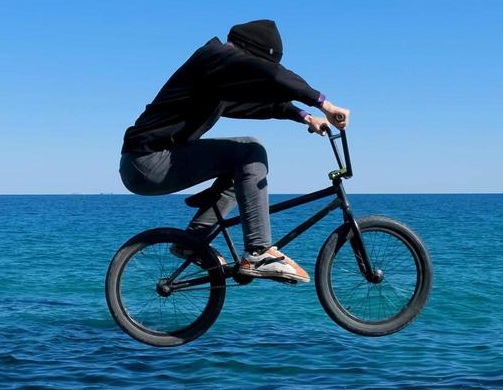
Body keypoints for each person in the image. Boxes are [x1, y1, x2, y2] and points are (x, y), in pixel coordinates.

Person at [119, 20, 350, 283]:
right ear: (246, 54)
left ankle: (192, 241)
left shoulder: (215, 80)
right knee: (251, 149)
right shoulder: (214, 55)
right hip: (147, 161)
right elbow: (273, 76)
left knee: (238, 167)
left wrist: (305, 116)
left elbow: (258, 105)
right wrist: (324, 103)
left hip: (151, 161)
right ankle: (258, 252)